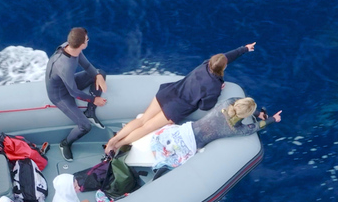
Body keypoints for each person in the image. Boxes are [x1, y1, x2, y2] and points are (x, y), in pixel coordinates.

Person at [105, 42, 257, 154]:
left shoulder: (205, 65)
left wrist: (243, 49)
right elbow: (205, 106)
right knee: (146, 128)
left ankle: (113, 139)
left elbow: (224, 58)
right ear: (223, 69)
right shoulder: (214, 87)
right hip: (175, 107)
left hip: (167, 93)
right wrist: (219, 88)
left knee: (142, 120)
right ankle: (117, 145)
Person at [149, 96, 282, 171]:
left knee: (162, 139)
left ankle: (160, 151)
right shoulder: (236, 128)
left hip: (182, 131)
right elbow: (257, 126)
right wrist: (273, 119)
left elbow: (239, 103)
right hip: (189, 146)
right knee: (171, 163)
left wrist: (258, 112)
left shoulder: (227, 103)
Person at [46, 27, 109, 162]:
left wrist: (97, 76)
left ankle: (90, 112)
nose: (88, 41)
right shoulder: (65, 66)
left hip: (69, 83)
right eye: (87, 39)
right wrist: (94, 99)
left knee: (100, 73)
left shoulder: (71, 48)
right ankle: (65, 144)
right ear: (82, 44)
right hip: (60, 95)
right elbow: (73, 92)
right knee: (85, 126)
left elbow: (86, 66)